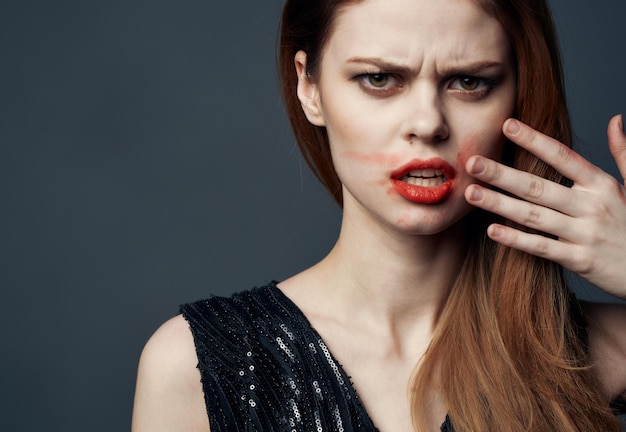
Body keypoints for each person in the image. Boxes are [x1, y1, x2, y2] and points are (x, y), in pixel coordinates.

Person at [131, 0, 626, 430]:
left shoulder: (606, 355)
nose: (428, 123)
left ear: (519, 90)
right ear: (309, 86)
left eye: (469, 81)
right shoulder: (195, 368)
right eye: (380, 78)